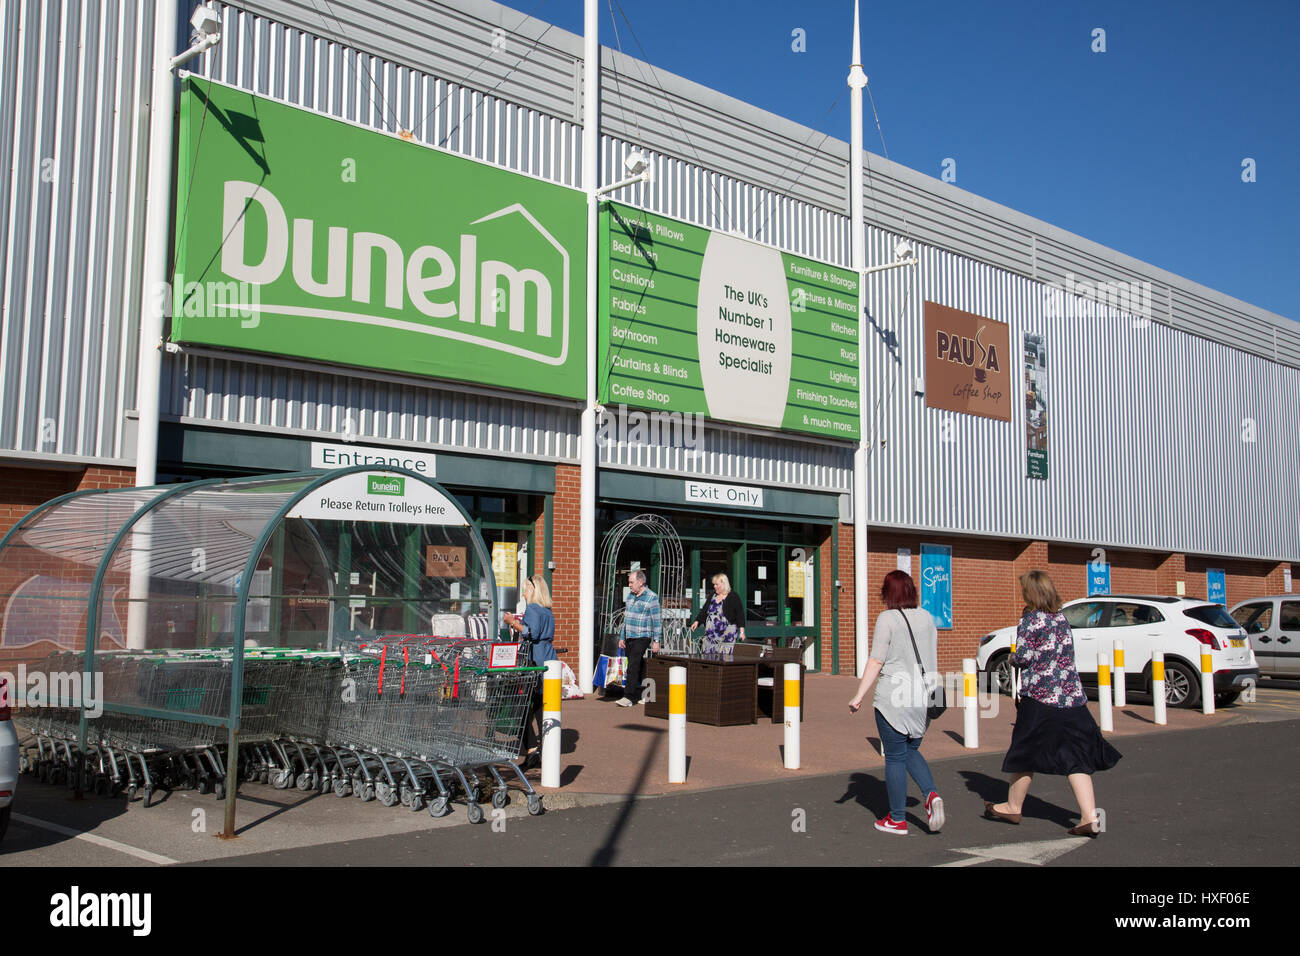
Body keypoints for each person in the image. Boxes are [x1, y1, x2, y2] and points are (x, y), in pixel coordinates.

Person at [983, 570, 1121, 836]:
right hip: (1071, 697)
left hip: (1040, 698)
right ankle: (1089, 816)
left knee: (1025, 750)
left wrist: (1012, 659)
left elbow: (1023, 657)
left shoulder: (1030, 620)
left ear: (1030, 593)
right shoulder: (1061, 619)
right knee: (1076, 755)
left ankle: (1013, 806)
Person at [848, 570, 945, 836]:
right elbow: (932, 656)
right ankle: (931, 794)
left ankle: (898, 819)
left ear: (887, 593)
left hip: (893, 697)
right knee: (909, 750)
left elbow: (877, 660)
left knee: (894, 756)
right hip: (923, 697)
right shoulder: (927, 617)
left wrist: (859, 696)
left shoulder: (887, 618)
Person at [503, 574, 557, 769]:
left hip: (536, 659)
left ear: (533, 591)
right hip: (549, 657)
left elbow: (528, 632)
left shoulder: (533, 609)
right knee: (543, 708)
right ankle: (543, 750)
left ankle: (532, 750)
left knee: (523, 710)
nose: (524, 593)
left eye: (525, 589)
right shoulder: (547, 610)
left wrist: (511, 621)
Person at [617, 569, 661, 706]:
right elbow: (626, 618)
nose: (629, 585)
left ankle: (628, 697)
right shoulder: (630, 596)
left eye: (631, 582)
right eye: (629, 582)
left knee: (633, 664)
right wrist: (622, 637)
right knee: (639, 664)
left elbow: (657, 621)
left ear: (640, 582)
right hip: (630, 635)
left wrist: (656, 641)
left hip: (643, 636)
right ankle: (648, 693)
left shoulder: (651, 597)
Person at [689, 572, 746, 652]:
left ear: (723, 584)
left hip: (726, 633)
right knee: (708, 656)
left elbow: (740, 614)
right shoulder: (713, 595)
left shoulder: (733, 596)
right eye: (714, 584)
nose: (714, 586)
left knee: (724, 657)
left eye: (716, 584)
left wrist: (742, 632)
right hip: (711, 634)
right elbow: (704, 610)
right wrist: (697, 621)